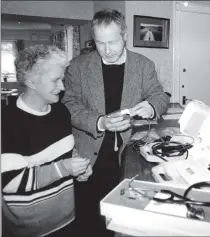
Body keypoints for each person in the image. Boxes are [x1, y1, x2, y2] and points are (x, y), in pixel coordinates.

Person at [62, 9, 170, 237]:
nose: (107, 50)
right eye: (100, 43)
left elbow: (159, 97)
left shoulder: (143, 65)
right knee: (89, 221)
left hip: (127, 155)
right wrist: (100, 122)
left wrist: (151, 106)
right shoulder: (79, 66)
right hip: (88, 156)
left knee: (123, 220)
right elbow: (68, 105)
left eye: (112, 42)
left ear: (125, 35)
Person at [1, 45, 92, 237]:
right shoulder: (7, 122)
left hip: (67, 219)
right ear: (31, 81)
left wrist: (79, 165)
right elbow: (10, 182)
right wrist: (65, 168)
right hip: (30, 229)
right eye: (55, 80)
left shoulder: (60, 111)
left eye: (63, 79)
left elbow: (66, 151)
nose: (62, 87)